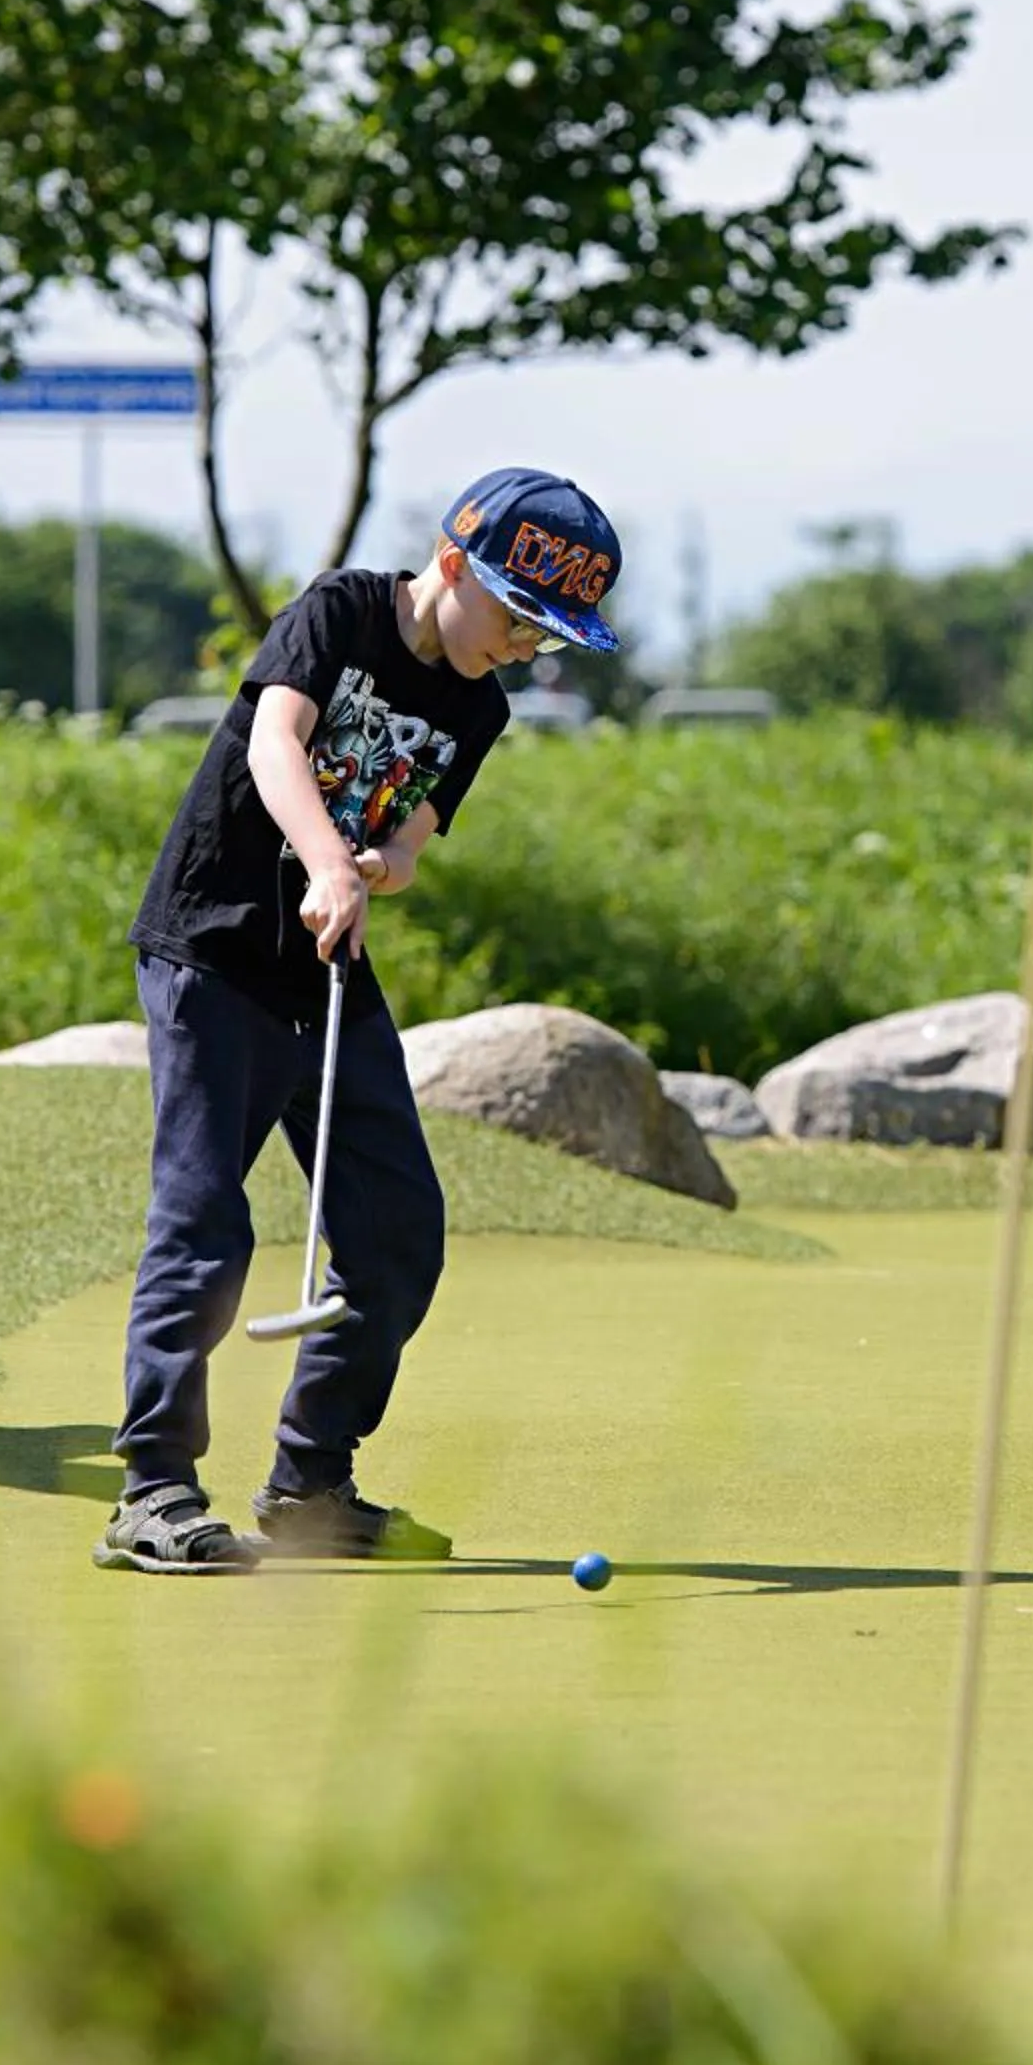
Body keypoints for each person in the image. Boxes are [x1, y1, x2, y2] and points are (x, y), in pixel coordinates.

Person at [96, 468, 623, 1571]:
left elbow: (420, 823)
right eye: (520, 616)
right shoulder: (339, 611)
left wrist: (385, 863)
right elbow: (272, 745)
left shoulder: (482, 700)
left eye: (551, 634)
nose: (528, 646)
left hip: (325, 970)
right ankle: (152, 1490)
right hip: (216, 947)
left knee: (395, 1238)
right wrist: (330, 859)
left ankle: (310, 1486)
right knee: (204, 1225)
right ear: (450, 568)